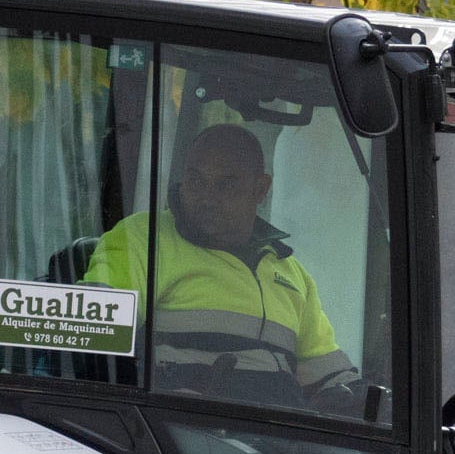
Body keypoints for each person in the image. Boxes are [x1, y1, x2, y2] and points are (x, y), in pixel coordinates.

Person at [82, 122, 357, 408]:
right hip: (180, 429)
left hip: (280, 436)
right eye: (196, 180)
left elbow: (329, 378)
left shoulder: (290, 273)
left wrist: (365, 397)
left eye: (226, 184)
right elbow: (93, 335)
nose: (207, 197)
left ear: (261, 189)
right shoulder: (143, 238)